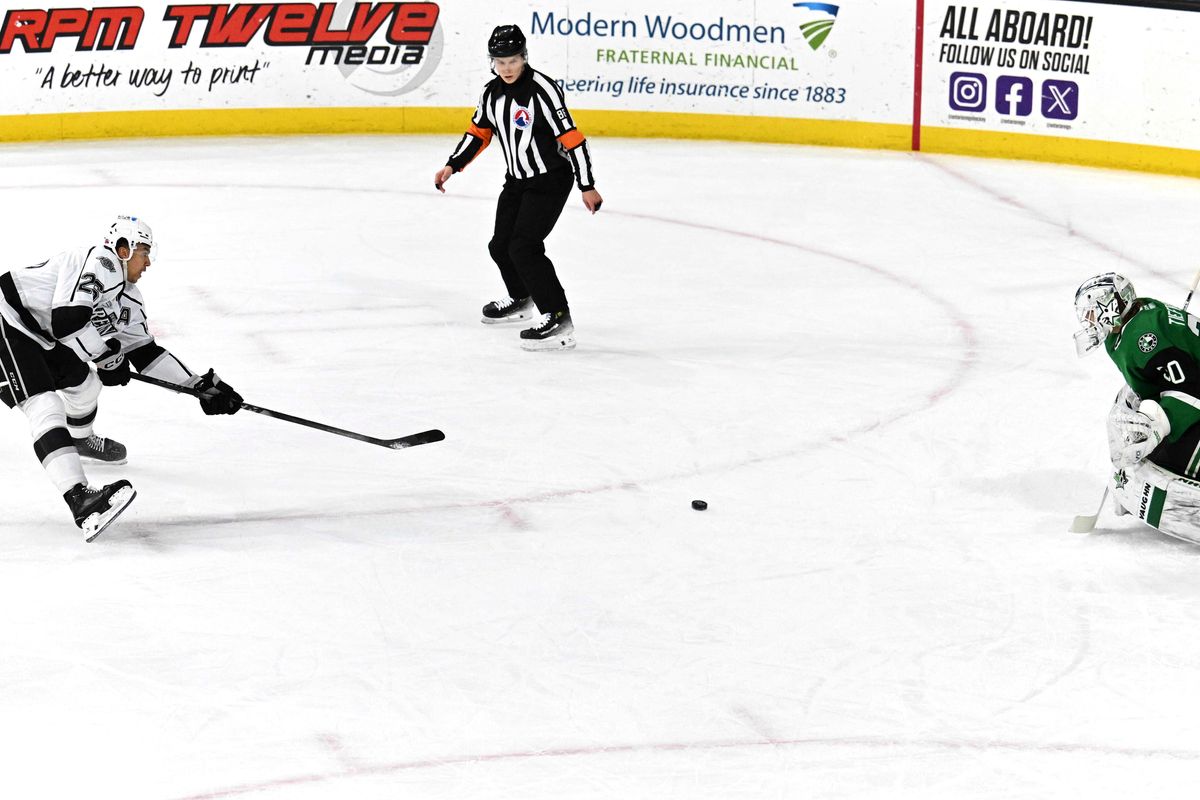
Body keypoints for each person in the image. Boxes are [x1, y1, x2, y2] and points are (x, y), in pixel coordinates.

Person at [0, 215, 243, 541]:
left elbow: (145, 353)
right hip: (6, 319)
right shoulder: (102, 263)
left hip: (36, 334)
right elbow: (68, 322)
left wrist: (198, 386)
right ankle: (81, 500)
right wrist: (106, 357)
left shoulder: (127, 298)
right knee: (43, 405)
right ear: (123, 248)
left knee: (85, 384)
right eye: (144, 251)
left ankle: (79, 439)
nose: (148, 262)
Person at [434, 23, 603, 351]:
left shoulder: (543, 89)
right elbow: (478, 133)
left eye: (513, 60)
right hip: (517, 181)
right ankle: (521, 298)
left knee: (524, 247)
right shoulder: (490, 92)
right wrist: (452, 165)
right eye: (500, 61)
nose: (507, 67)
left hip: (550, 180)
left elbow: (572, 139)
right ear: (492, 61)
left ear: (524, 58)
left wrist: (587, 185)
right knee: (500, 246)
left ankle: (557, 316)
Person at [1074, 272, 1200, 543]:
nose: (1088, 322)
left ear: (1111, 308)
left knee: (1170, 455)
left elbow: (1191, 388)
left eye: (1092, 314)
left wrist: (1161, 422)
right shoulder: (1132, 323)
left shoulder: (1145, 337)